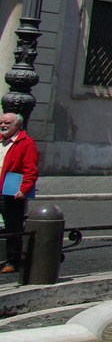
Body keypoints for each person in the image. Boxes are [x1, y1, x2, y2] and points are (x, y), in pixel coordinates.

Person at [1, 112, 40, 274]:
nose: (3, 125)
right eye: (1, 122)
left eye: (7, 123)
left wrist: (24, 189)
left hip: (11, 191)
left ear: (17, 125)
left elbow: (30, 169)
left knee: (13, 227)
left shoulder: (26, 143)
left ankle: (13, 261)